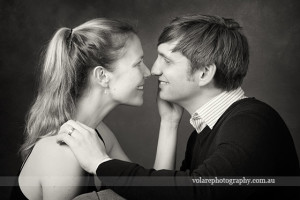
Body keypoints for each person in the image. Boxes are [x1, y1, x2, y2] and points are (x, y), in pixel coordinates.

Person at [57, 14, 300, 200]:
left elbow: (196, 193)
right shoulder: (204, 133)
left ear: (204, 72)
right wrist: (170, 123)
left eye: (167, 60)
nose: (154, 70)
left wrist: (100, 163)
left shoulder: (252, 122)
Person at [10, 18, 150, 200]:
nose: (148, 72)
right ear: (102, 76)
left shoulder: (98, 133)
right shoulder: (61, 153)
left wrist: (169, 123)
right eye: (138, 63)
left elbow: (151, 193)